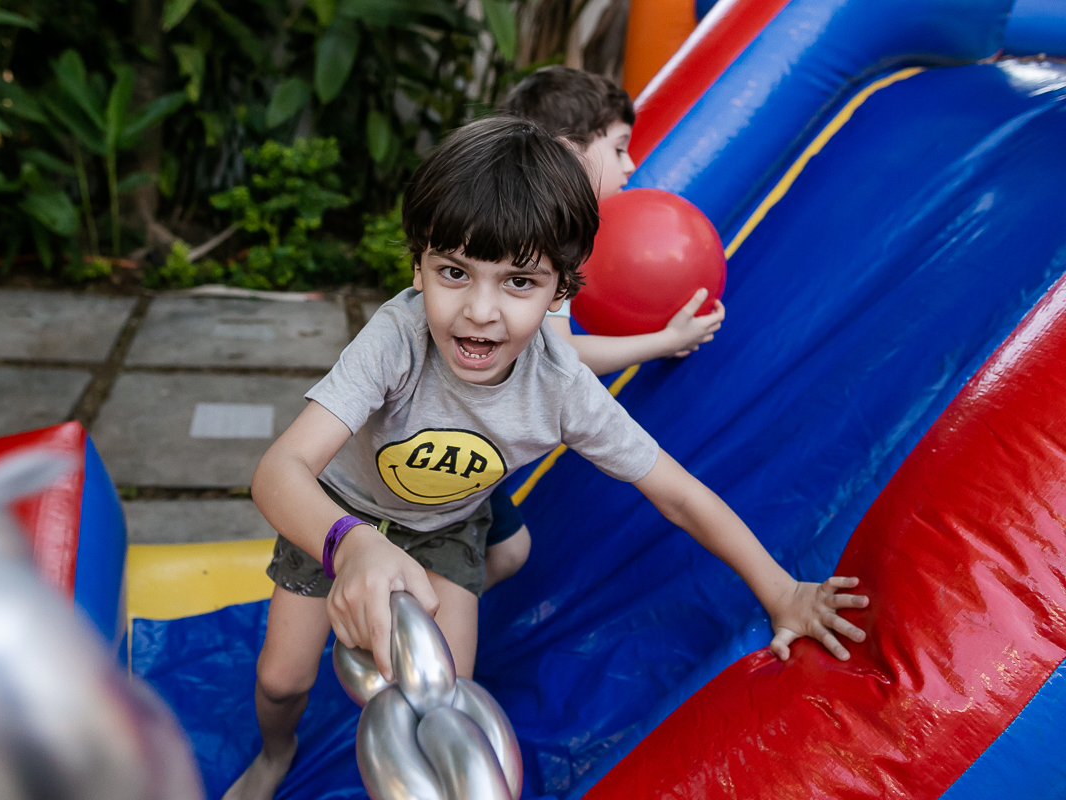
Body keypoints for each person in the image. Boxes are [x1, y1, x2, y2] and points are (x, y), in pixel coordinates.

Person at [223, 117, 868, 800]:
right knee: (281, 678)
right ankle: (275, 754)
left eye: (519, 283)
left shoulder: (560, 386)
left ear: (561, 291)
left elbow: (677, 492)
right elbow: (280, 471)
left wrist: (782, 591)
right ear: (418, 266)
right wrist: (348, 546)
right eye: (453, 273)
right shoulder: (398, 339)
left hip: (444, 531)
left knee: (446, 699)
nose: (480, 311)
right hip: (342, 509)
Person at [483, 66, 727, 590]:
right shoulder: (544, 238)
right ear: (572, 152)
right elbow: (561, 353)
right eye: (618, 148)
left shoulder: (542, 223)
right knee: (501, 550)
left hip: (470, 438)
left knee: (506, 550)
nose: (631, 163)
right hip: (452, 429)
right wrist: (668, 340)